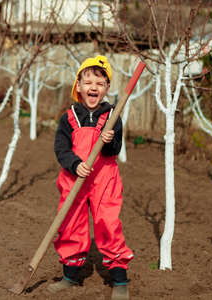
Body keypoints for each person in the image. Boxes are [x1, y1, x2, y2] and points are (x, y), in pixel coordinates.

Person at [48, 55, 133, 300]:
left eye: (99, 83)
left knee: (108, 224)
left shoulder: (113, 117)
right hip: (74, 179)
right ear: (78, 86)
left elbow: (114, 149)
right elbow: (61, 149)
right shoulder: (69, 118)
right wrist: (75, 165)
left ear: (107, 88)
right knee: (70, 225)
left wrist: (108, 142)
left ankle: (119, 280)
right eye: (87, 82)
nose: (93, 87)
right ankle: (70, 277)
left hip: (104, 179)